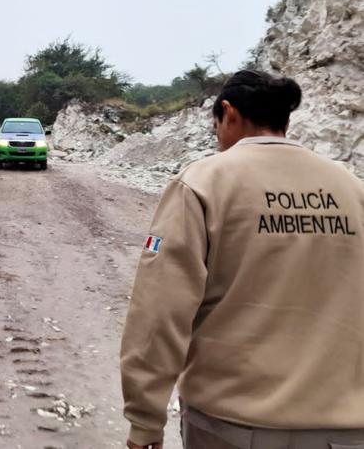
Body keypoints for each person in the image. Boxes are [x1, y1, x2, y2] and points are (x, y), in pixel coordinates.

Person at [120, 70, 364, 449]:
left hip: (231, 426)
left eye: (217, 124)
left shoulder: (202, 183)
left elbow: (159, 312)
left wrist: (144, 420)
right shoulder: (351, 188)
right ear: (285, 119)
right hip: (345, 432)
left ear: (228, 113)